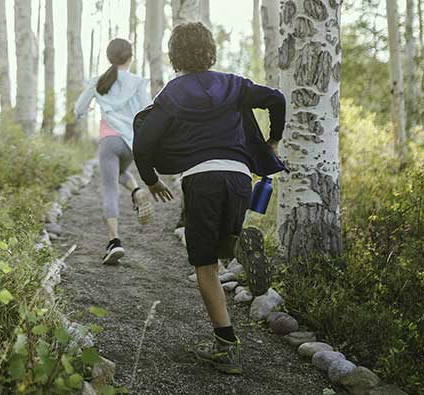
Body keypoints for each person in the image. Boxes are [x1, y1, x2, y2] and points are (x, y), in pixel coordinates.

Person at [132, 22, 286, 375]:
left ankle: (226, 348)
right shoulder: (233, 84)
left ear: (175, 55)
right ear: (210, 50)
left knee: (205, 266)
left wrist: (151, 180)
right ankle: (240, 246)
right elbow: (276, 99)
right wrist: (273, 140)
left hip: (202, 179)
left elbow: (143, 144)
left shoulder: (173, 93)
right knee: (222, 242)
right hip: (239, 177)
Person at [74, 38, 156, 265]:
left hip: (109, 142)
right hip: (131, 143)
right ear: (130, 57)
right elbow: (149, 110)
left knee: (110, 188)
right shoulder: (137, 83)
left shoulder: (100, 82)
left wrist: (87, 109)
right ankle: (136, 190)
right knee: (120, 173)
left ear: (109, 57)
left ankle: (114, 242)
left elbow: (78, 109)